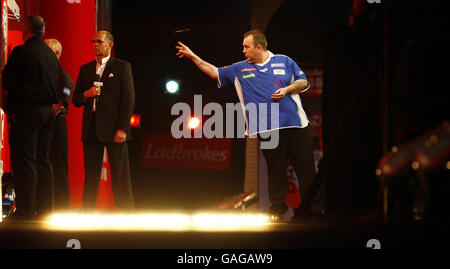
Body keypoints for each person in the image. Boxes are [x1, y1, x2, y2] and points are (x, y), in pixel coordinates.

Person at [176, 29, 323, 219]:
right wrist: (192, 56)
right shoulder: (240, 69)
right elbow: (214, 71)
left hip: (296, 124)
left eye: (246, 46)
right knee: (276, 170)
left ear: (258, 47)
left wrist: (287, 89)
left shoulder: (284, 61)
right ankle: (278, 209)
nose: (243, 50)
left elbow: (303, 82)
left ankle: (313, 207)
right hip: (268, 129)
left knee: (306, 168)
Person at [2, 15, 61, 220]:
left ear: (26, 29)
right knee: (43, 159)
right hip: (48, 113)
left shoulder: (21, 51)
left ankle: (26, 210)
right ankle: (46, 209)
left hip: (28, 111)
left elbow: (7, 81)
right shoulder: (51, 55)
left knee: (25, 160)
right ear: (42, 30)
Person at [72, 31, 135, 210]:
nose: (95, 44)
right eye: (93, 41)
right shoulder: (85, 69)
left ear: (109, 45)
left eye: (99, 41)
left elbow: (128, 100)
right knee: (91, 175)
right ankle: (87, 213)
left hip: (115, 129)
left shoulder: (122, 67)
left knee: (120, 175)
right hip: (91, 129)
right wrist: (87, 94)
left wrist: (123, 128)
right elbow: (76, 99)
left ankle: (126, 214)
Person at [45, 38, 73, 210]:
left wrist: (49, 112)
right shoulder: (41, 74)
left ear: (56, 53)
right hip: (43, 124)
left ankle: (62, 205)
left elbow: (63, 100)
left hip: (57, 123)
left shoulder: (63, 76)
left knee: (59, 163)